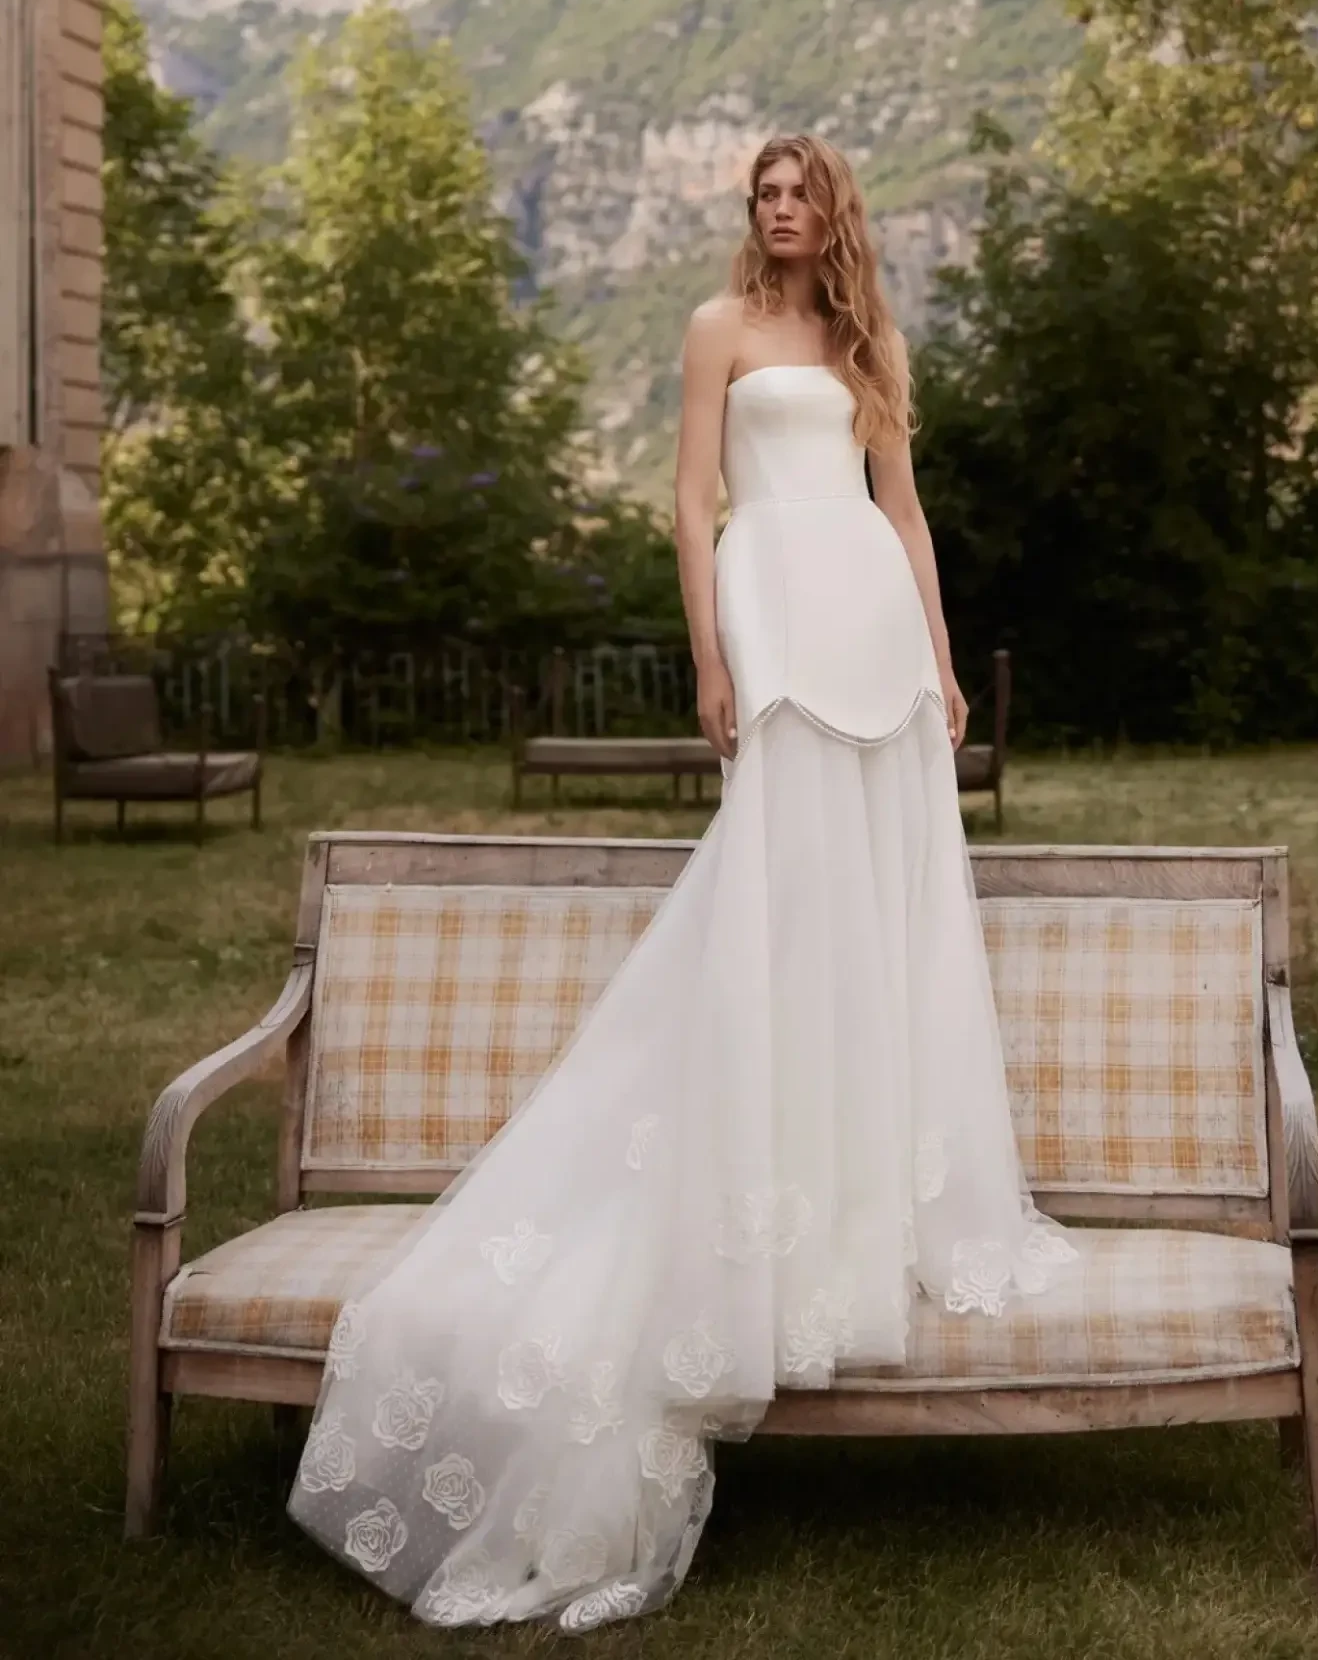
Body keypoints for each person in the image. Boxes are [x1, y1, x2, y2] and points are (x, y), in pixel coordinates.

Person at [289, 133, 1075, 1632]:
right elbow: (691, 504)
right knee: (775, 902)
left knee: (883, 917)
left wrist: (938, 656)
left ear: (832, 210)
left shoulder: (870, 340)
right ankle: (762, 1193)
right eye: (764, 197)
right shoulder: (716, 329)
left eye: (800, 196)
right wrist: (714, 658)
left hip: (873, 629)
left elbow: (900, 509)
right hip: (777, 618)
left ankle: (869, 1209)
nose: (780, 214)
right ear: (752, 216)